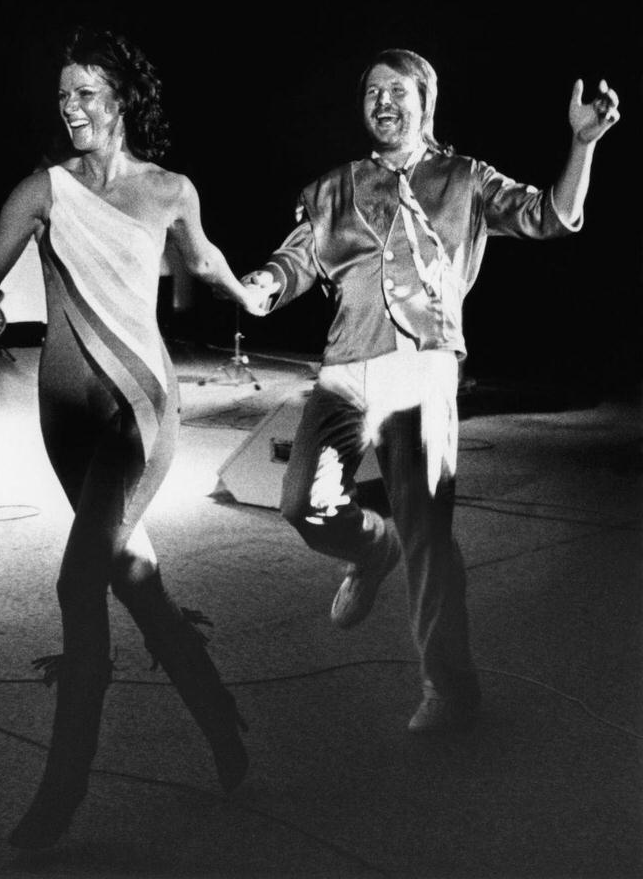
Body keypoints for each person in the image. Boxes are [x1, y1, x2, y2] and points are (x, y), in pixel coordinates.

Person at [0, 27, 270, 849]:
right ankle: (220, 718)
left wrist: (251, 290)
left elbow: (209, 259)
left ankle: (63, 787)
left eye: (86, 93)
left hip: (138, 413)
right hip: (64, 419)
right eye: (62, 96)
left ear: (122, 99)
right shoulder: (41, 190)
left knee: (77, 584)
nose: (72, 108)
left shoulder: (170, 190)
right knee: (131, 574)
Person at [240, 49, 620, 733]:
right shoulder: (335, 187)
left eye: (397, 91)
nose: (382, 102)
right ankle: (369, 549)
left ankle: (449, 688)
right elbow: (297, 256)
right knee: (302, 502)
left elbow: (551, 216)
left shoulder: (465, 179)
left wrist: (581, 145)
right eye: (371, 92)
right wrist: (265, 284)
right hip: (346, 369)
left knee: (429, 533)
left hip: (423, 370)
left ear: (425, 101)